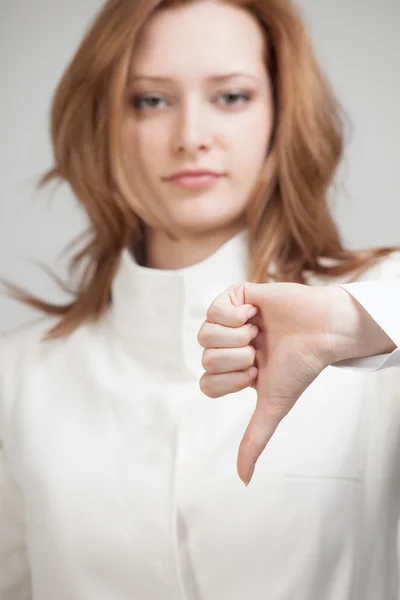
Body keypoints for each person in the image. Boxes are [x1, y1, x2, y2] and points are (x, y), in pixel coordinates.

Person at [1, 0, 399, 599]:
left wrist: (348, 324)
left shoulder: (377, 316)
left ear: (279, 116)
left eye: (231, 96)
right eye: (151, 100)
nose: (191, 137)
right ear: (104, 122)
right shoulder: (17, 380)